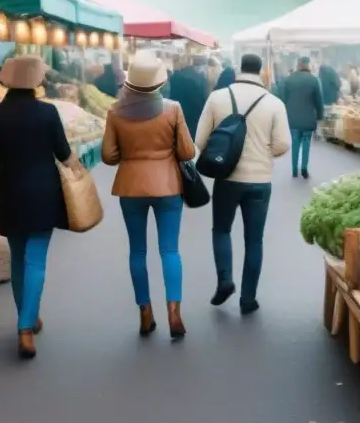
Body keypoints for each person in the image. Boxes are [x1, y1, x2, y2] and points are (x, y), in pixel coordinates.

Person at [0, 55, 79, 360]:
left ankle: (28, 317)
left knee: (18, 258)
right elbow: (63, 152)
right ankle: (25, 326)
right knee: (36, 259)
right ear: (36, 81)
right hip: (44, 191)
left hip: (10, 192)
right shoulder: (48, 113)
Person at [102, 51, 195, 339]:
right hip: (168, 186)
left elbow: (108, 155)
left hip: (131, 188)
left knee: (137, 251)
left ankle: (145, 313)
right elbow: (187, 152)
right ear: (158, 83)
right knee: (169, 250)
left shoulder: (115, 112)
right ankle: (174, 311)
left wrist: (129, 154)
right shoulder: (173, 109)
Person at [195, 54, 290, 314]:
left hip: (227, 179)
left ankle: (225, 280)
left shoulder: (217, 98)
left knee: (222, 230)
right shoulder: (274, 103)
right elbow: (283, 144)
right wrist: (264, 152)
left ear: (239, 70)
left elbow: (200, 141)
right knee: (254, 240)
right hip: (260, 181)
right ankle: (248, 299)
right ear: (260, 72)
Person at [279, 56, 324, 179]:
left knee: (295, 143)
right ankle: (304, 169)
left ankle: (294, 169)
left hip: (293, 118)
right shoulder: (314, 80)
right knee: (306, 143)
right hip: (309, 118)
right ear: (308, 65)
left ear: (298, 64)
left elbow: (283, 99)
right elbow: (319, 101)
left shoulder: (289, 80)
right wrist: (320, 116)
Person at [168, 55, 209, 138]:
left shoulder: (173, 78)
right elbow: (202, 102)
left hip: (177, 118)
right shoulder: (199, 78)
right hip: (194, 121)